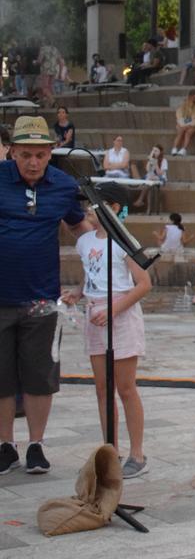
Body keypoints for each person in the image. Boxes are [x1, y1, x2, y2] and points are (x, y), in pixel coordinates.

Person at [1, 115, 96, 476]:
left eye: (40, 155)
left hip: (42, 296)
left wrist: (100, 260)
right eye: (26, 154)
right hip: (0, 296)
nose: (33, 162)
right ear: (12, 152)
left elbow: (78, 226)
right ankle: (6, 444)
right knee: (2, 376)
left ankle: (36, 444)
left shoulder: (63, 185)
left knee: (41, 375)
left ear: (50, 153)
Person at [59, 181, 152, 479]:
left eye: (94, 203)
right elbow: (94, 277)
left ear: (112, 208)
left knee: (125, 387)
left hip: (120, 316)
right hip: (95, 314)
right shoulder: (85, 242)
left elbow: (143, 284)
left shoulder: (124, 241)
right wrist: (78, 292)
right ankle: (109, 449)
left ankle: (137, 453)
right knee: (102, 389)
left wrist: (114, 310)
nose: (87, 208)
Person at [133, 144, 168, 213]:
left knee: (149, 181)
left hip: (161, 178)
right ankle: (145, 206)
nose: (154, 152)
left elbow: (160, 173)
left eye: (156, 150)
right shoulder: (151, 159)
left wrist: (155, 163)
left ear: (160, 152)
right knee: (148, 182)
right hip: (150, 178)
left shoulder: (164, 161)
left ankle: (140, 199)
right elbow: (147, 170)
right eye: (153, 150)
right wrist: (150, 160)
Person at [172, 89, 195, 156]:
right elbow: (179, 113)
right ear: (190, 97)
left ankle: (183, 149)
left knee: (188, 132)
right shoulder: (184, 103)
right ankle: (174, 148)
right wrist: (183, 124)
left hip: (194, 125)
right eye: (194, 97)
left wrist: (190, 124)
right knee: (180, 131)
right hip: (183, 123)